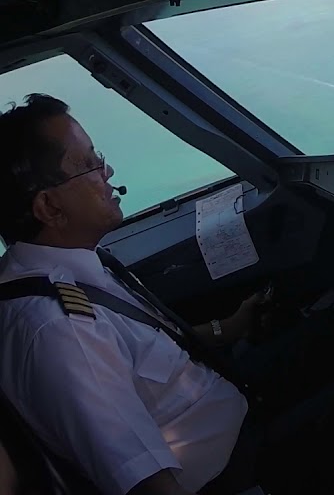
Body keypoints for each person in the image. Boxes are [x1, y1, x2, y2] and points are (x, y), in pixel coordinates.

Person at [0, 94, 264, 495]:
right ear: (50, 207)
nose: (107, 171)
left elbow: (142, 358)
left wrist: (228, 328)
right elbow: (146, 485)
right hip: (231, 475)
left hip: (230, 414)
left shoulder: (68, 267)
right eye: (88, 164)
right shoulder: (61, 331)